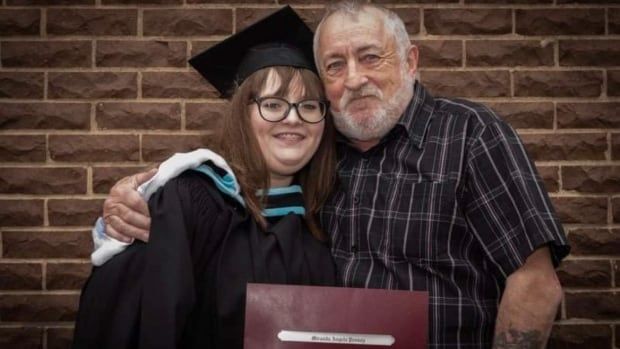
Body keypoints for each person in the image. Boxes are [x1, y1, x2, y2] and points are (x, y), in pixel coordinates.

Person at [97, 2, 570, 348]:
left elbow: (534, 282)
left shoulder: (470, 134)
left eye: (371, 57)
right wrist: (139, 193)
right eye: (335, 66)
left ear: (410, 61)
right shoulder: (317, 154)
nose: (355, 78)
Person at [72, 6, 337, 349]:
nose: (293, 119)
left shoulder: (326, 213)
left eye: (309, 105)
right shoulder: (191, 200)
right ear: (242, 114)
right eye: (273, 104)